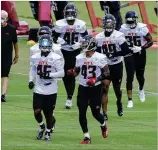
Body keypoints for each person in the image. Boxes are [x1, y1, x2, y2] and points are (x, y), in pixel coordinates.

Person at [95, 14, 140, 120]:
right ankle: (104, 113)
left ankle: (119, 102)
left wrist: (114, 53)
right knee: (104, 88)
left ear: (114, 24)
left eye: (110, 23)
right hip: (105, 65)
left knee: (117, 89)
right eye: (107, 23)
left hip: (116, 64)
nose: (108, 25)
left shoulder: (119, 35)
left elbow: (126, 50)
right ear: (103, 24)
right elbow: (97, 52)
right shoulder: (99, 37)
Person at [67, 35, 109, 144]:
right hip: (83, 88)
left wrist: (96, 79)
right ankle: (87, 137)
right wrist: (72, 73)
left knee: (95, 113)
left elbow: (107, 73)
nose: (84, 45)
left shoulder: (100, 57)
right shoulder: (80, 57)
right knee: (82, 113)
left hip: (95, 88)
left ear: (92, 45)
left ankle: (103, 125)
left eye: (86, 44)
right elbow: (76, 71)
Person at [28, 34, 64, 141]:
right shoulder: (35, 57)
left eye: (46, 44)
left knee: (49, 113)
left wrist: (50, 75)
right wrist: (31, 80)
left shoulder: (56, 57)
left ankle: (48, 132)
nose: (44, 46)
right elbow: (33, 69)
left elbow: (62, 73)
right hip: (39, 88)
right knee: (37, 111)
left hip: (51, 88)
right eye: (42, 44)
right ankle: (41, 126)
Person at [53, 3, 88, 109]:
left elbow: (87, 38)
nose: (69, 16)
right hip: (63, 51)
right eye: (67, 13)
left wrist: (80, 43)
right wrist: (59, 40)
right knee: (65, 75)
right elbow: (53, 36)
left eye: (71, 13)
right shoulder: (60, 24)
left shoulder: (81, 24)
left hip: (76, 52)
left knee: (72, 74)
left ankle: (69, 98)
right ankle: (70, 96)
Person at [119, 10, 153, 108]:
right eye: (128, 21)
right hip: (129, 54)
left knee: (140, 76)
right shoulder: (123, 29)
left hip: (140, 53)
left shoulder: (142, 28)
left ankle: (141, 89)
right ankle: (130, 100)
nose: (129, 24)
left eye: (131, 21)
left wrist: (141, 48)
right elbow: (119, 41)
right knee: (129, 76)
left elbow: (150, 41)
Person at [1, 10, 19, 102]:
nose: (1, 20)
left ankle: (3, 94)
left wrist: (16, 55)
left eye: (2, 18)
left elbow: (15, 43)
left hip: (7, 57)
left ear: (6, 19)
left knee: (5, 75)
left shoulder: (11, 29)